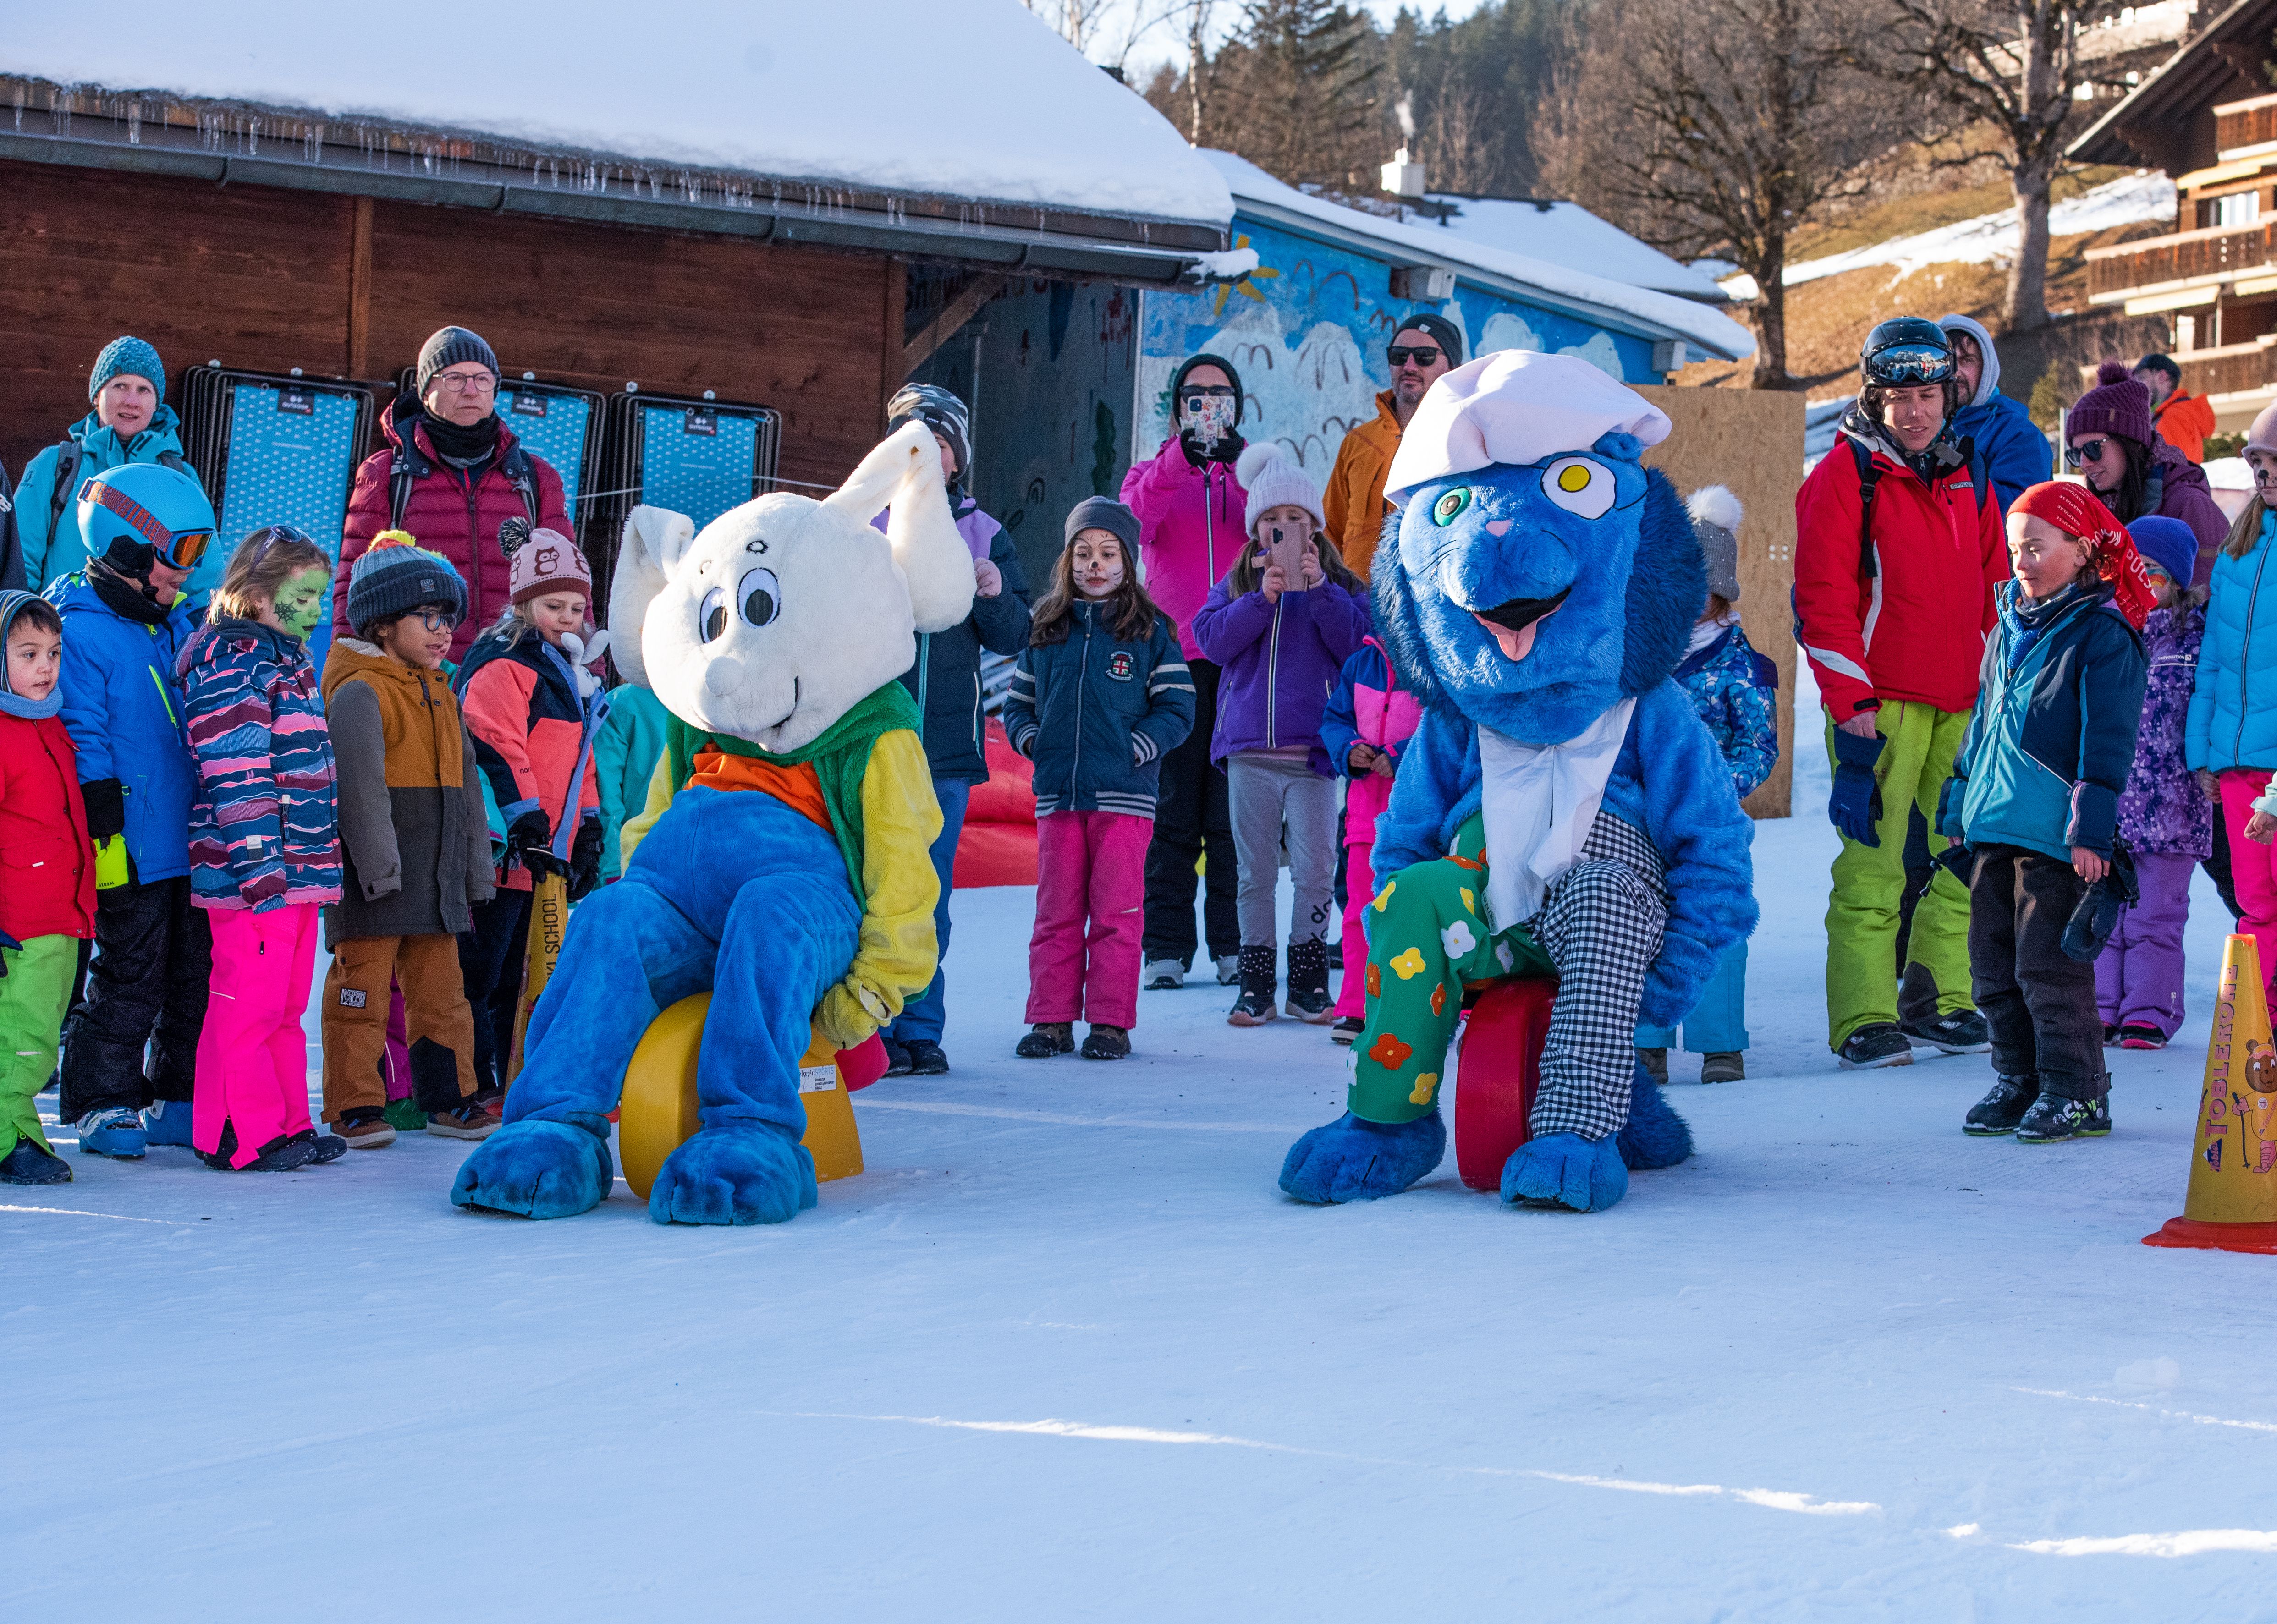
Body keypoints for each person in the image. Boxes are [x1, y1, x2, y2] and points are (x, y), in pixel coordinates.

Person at [1794, 318, 2005, 1070]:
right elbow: (1819, 603)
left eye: (1927, 394)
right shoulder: (1842, 476)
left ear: (1947, 396)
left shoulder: (1965, 475)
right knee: (1874, 862)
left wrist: (1993, 695)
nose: (1914, 411)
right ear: (1873, 398)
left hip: (1960, 703)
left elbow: (1992, 593)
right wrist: (1850, 712)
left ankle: (1937, 993)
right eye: (1898, 397)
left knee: (1963, 854)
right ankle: (1861, 1013)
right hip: (1879, 702)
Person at [1942, 483, 2150, 1143]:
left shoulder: (2103, 634)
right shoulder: (2009, 626)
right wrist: (1959, 799)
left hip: (2057, 833)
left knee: (2048, 967)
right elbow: (1983, 725)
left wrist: (2092, 826)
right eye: (2014, 549)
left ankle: (2077, 1089)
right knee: (1993, 965)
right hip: (1995, 822)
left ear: (2083, 548)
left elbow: (2108, 738)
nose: (2021, 561)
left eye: (2036, 546)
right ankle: (2019, 1078)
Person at [49, 464, 213, 1160]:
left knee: (192, 973)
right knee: (128, 973)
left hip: (190, 840)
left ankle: (178, 1096)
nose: (187, 573)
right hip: (128, 841)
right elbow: (83, 735)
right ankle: (99, 1101)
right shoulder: (81, 631)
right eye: (181, 555)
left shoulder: (170, 626)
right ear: (127, 550)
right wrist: (103, 826)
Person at [872, 384, 1033, 1077]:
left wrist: (995, 591)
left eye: (938, 441)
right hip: (873, 742)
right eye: (911, 437)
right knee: (873, 887)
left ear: (957, 457)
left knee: (927, 893)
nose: (925, 451)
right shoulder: (861, 524)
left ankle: (920, 1028)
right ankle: (867, 1030)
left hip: (945, 747)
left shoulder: (984, 531)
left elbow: (1018, 632)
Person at [320, 533, 497, 1147]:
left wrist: (476, 869)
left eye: (448, 619)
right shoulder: (360, 691)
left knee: (444, 998)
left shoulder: (443, 694)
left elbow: (468, 792)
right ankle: (354, 1105)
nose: (443, 631)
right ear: (382, 623)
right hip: (377, 878)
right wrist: (376, 870)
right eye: (427, 618)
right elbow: (360, 792)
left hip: (435, 876)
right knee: (360, 995)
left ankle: (451, 1100)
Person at [1003, 498, 1195, 1061]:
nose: (1095, 565)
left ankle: (1111, 1023)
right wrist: (1035, 743)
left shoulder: (1151, 631)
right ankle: (1051, 1019)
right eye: (1083, 553)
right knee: (1056, 912)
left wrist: (1137, 748)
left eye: (1108, 553)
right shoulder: (1047, 628)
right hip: (1060, 795)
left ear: (1128, 561)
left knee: (1117, 912)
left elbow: (1178, 708)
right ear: (1068, 561)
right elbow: (1018, 707)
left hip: (1125, 798)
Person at [179, 527, 346, 1171]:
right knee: (246, 1005)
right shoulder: (233, 661)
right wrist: (261, 871)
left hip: (298, 872)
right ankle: (239, 1133)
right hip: (256, 876)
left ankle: (286, 1124)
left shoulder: (288, 661)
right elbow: (236, 772)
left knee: (282, 1008)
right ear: (256, 595)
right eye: (304, 595)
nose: (317, 609)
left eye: (321, 595)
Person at [1192, 443, 1371, 1026]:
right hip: (1250, 755)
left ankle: (1310, 983)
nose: (1285, 530)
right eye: (1273, 521)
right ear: (1256, 529)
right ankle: (1255, 984)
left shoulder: (1339, 580)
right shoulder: (1240, 580)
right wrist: (1261, 600)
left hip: (1315, 756)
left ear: (1315, 527)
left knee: (1317, 868)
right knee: (1256, 872)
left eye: (1297, 520)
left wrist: (1321, 592)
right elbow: (1211, 641)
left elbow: (1359, 647)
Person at [456, 528, 607, 1103]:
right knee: (484, 972)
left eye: (575, 608)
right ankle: (475, 1079)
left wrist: (588, 829)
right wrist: (525, 820)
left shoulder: (573, 674)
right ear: (523, 603)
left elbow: (580, 758)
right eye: (552, 607)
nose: (566, 619)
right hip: (504, 852)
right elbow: (496, 743)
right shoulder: (505, 661)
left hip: (545, 855)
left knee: (530, 977)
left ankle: (518, 1074)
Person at [1634, 488, 1779, 1085]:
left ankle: (1721, 1043)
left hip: (1713, 823)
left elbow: (1758, 747)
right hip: (1644, 821)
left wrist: (1722, 787)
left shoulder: (1742, 666)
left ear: (1721, 592)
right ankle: (1647, 1039)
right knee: (1641, 923)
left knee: (1715, 923)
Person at [1122, 353, 1248, 991]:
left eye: (1219, 396)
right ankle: (1166, 947)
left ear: (1237, 407)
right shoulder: (1153, 473)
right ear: (1177, 409)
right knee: (1171, 810)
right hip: (1172, 661)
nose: (1206, 406)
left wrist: (1237, 461)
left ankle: (1233, 946)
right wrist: (1181, 462)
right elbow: (1132, 526)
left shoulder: (1251, 473)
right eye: (1194, 397)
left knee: (1229, 814)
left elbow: (1277, 527)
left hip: (1239, 662)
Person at [334, 326, 572, 664]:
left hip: (514, 674)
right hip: (420, 677)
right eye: (455, 379)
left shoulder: (536, 478)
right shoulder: (385, 475)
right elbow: (353, 587)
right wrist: (349, 668)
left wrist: (585, 666)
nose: (471, 391)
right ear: (425, 389)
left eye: (483, 379)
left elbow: (569, 583)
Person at [2097, 517, 2211, 1049]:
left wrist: (2211, 763)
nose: (2144, 583)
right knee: (2106, 914)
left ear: (2178, 583)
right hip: (2111, 803)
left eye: (2156, 574)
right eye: (2134, 570)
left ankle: (2148, 1011)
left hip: (2173, 806)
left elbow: (2212, 704)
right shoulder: (2105, 629)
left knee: (2155, 916)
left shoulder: (2198, 638)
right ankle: (2099, 1008)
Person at [0, 594, 93, 1186]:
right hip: (19, 920)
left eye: (54, 653)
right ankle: (12, 1139)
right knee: (22, 1036)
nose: (45, 667)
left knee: (43, 1027)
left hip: (62, 911)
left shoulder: (50, 725)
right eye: (28, 654)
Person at [2186, 416, 2277, 1019]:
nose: (2264, 473)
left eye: (2274, 461)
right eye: (2257, 463)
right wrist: (2204, 752)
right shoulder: (2240, 550)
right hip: (2241, 763)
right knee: (2256, 904)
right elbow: (2213, 660)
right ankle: (2258, 1032)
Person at [16, 336, 203, 602]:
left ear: (156, 403)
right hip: (62, 633)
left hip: (153, 640)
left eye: (144, 390)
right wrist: (27, 626)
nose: (131, 400)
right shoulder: (57, 465)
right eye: (120, 385)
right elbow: (19, 559)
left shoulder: (180, 478)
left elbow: (203, 577)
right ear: (97, 396)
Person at [1318, 633, 1421, 1044]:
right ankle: (1356, 1009)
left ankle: (1416, 1009)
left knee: (1414, 914)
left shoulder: (1435, 659)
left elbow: (1448, 729)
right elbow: (1335, 720)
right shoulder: (1361, 662)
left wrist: (1400, 755)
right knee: (1361, 911)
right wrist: (1350, 749)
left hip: (1419, 818)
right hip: (1365, 817)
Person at [1322, 313, 1462, 580]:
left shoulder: (1465, 441)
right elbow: (1331, 531)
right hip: (1357, 609)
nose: (1409, 366)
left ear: (1453, 368)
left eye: (1424, 356)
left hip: (1427, 611)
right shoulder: (1359, 442)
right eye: (1399, 356)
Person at [2066, 360, 2229, 586]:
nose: (2084, 463)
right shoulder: (2096, 512)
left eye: (2093, 448)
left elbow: (2207, 602)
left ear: (2129, 442)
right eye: (2075, 454)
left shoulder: (2189, 505)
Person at [1937, 314, 2053, 514]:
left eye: (1967, 361)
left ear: (1986, 369)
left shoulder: (2020, 437)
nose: (1955, 373)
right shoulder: (1921, 427)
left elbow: (2017, 516)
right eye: (1947, 361)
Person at [595, 680, 670, 886]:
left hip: (634, 860)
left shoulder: (621, 702)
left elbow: (605, 795)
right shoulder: (711, 707)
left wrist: (611, 867)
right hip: (685, 863)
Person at [2136, 353, 2215, 466]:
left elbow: (2171, 472)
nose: (2137, 385)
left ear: (2162, 377)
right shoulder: (2173, 413)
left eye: (2142, 378)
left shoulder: (2172, 417)